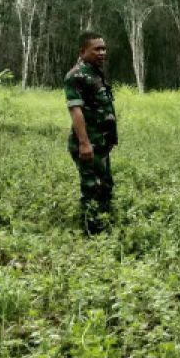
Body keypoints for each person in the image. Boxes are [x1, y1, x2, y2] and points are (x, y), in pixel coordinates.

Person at [64, 31, 117, 234]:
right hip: (89, 144)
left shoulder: (94, 72)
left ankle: (104, 224)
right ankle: (90, 231)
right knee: (92, 188)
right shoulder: (76, 75)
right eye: (97, 49)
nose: (102, 52)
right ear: (83, 51)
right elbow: (75, 110)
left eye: (104, 49)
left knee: (105, 186)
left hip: (101, 143)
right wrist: (84, 143)